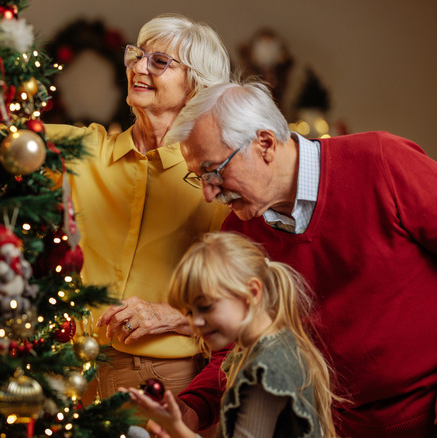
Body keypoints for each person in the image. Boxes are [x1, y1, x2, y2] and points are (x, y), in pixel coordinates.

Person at [166, 79, 437, 436]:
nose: (208, 193)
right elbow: (238, 346)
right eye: (198, 177)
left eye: (214, 170)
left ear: (264, 144)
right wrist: (194, 407)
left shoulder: (382, 161)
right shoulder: (237, 234)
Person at [44, 13, 230, 417]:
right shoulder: (86, 149)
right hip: (71, 370)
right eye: (137, 55)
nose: (138, 68)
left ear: (195, 84)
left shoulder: (217, 180)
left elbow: (247, 299)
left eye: (159, 62)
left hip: (164, 377)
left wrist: (176, 317)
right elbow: (1, 138)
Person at [126, 231, 342, 437]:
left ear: (252, 293)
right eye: (190, 312)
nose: (196, 322)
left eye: (206, 307)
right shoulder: (265, 346)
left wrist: (175, 429)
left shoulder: (265, 370)